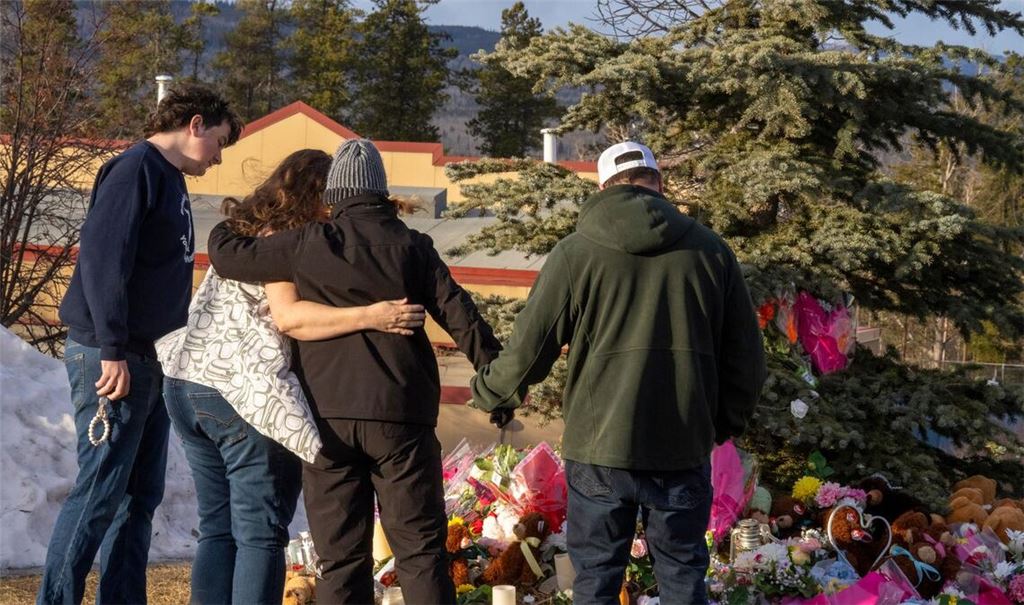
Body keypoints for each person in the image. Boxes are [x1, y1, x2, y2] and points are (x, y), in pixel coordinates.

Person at [470, 141, 768, 605]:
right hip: (681, 446)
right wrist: (724, 424)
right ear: (658, 184)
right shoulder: (711, 253)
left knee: (596, 581)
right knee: (682, 576)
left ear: (604, 187)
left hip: (600, 448)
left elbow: (532, 347)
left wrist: (492, 392)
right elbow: (746, 360)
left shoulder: (576, 253)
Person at [207, 139, 502, 605]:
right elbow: (461, 315)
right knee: (421, 553)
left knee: (340, 558)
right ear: (380, 192)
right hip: (402, 418)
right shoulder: (413, 246)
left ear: (334, 196)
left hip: (329, 419)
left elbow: (225, 253)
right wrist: (498, 381)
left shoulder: (307, 244)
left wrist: (253, 208)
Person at [155, 149, 427, 604]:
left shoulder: (244, 231)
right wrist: (371, 315)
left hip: (186, 382)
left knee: (218, 530)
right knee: (260, 533)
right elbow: (290, 318)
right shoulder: (287, 238)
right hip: (241, 393)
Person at [39, 84, 243, 605]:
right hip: (112, 355)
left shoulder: (169, 179)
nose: (219, 158)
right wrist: (111, 347)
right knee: (101, 490)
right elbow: (104, 260)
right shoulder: (134, 171)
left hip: (148, 355)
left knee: (138, 496)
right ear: (195, 123)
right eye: (219, 142)